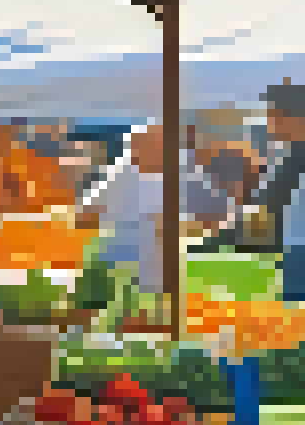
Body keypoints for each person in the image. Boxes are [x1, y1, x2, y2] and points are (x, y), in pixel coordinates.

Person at [78, 123, 230, 296]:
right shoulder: (122, 174)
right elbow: (86, 215)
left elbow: (217, 217)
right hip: (112, 270)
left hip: (157, 274)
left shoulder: (185, 176)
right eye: (136, 147)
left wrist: (179, 227)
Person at [254, 80, 305, 305]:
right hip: (297, 258)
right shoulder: (288, 160)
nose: (270, 126)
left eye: (272, 118)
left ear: (290, 118)